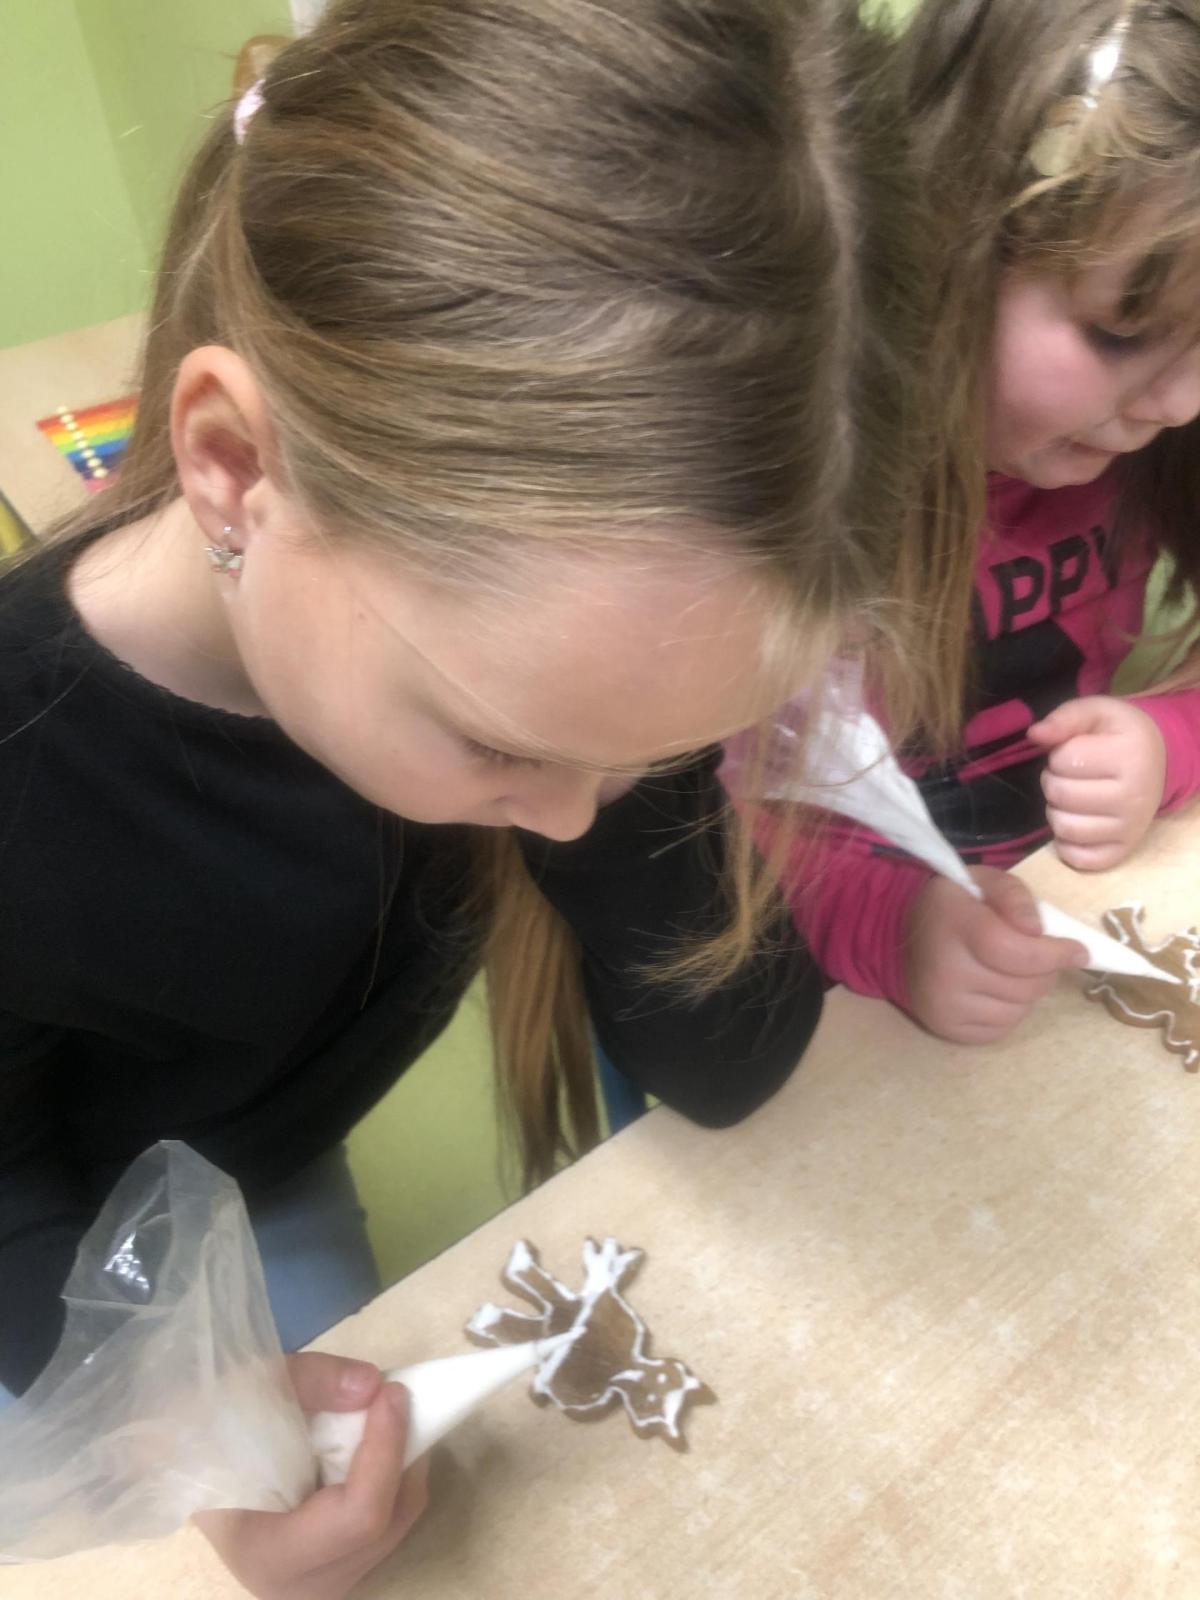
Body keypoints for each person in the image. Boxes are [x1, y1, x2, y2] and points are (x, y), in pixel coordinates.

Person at [0, 0, 948, 1591]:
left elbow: (731, 1059)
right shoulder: (28, 769)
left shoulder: (549, 678)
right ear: (233, 468)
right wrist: (168, 1425)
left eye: (640, 757)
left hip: (262, 1169)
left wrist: (612, 750)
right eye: (501, 744)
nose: (572, 819)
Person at [771, 0, 1200, 1047]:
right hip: (851, 1019)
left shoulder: (1136, 451)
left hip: (1070, 938)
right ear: (942, 241)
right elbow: (723, 820)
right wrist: (895, 928)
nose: (1181, 402)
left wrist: (1168, 736)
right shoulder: (797, 502)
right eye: (1123, 332)